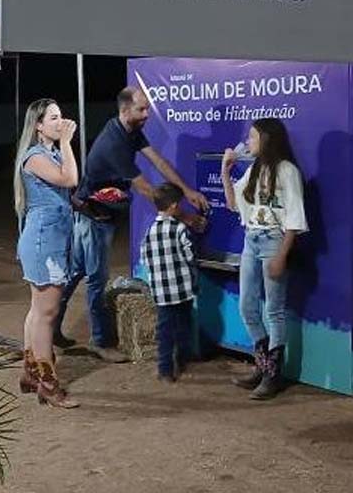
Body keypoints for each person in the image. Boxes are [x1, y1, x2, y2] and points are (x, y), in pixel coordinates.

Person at [54, 86, 209, 362]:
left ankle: (51, 326)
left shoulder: (129, 129)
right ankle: (99, 342)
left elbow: (158, 161)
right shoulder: (115, 143)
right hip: (94, 217)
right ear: (125, 110)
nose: (147, 114)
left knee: (76, 272)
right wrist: (187, 217)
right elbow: (147, 190)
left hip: (93, 214)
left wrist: (187, 191)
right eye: (142, 109)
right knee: (96, 280)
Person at [221, 118, 308, 400]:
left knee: (274, 310)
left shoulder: (287, 171)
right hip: (252, 240)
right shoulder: (255, 169)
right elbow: (234, 204)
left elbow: (294, 216)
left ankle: (273, 375)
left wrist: (282, 254)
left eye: (253, 136)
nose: (248, 142)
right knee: (247, 306)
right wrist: (225, 172)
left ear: (267, 139)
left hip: (273, 241)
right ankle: (263, 365)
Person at [13, 98, 79, 408]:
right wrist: (67, 142)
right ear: (38, 125)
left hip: (48, 240)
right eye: (53, 118)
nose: (60, 122)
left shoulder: (48, 154)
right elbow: (70, 179)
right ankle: (48, 384)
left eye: (60, 116)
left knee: (37, 310)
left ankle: (30, 373)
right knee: (47, 313)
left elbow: (62, 191)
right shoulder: (35, 157)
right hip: (43, 244)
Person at [140, 183, 198, 383]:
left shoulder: (150, 231)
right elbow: (190, 256)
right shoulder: (179, 229)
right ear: (174, 206)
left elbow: (144, 259)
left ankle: (164, 370)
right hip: (182, 290)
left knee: (164, 331)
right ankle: (182, 361)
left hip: (161, 293)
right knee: (183, 326)